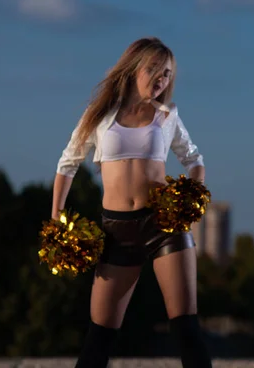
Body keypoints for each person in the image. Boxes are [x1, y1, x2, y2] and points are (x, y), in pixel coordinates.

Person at [52, 37, 213, 368]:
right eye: (154, 69)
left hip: (164, 226)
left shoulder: (167, 116)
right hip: (116, 230)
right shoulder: (99, 117)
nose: (161, 79)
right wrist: (57, 218)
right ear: (133, 68)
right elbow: (67, 164)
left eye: (167, 73)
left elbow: (194, 160)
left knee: (186, 328)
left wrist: (189, 197)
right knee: (99, 336)